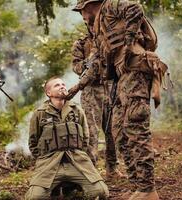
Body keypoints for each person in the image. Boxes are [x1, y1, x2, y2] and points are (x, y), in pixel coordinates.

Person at [68, 0, 169, 199]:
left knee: (135, 126)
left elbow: (135, 8)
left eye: (81, 10)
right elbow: (95, 64)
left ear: (88, 6)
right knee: (119, 131)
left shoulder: (110, 5)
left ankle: (148, 190)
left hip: (135, 71)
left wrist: (129, 44)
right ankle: (138, 186)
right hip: (122, 79)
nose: (82, 16)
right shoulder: (98, 30)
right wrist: (76, 87)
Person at [25, 77, 109, 200]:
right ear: (49, 93)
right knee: (34, 197)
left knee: (100, 192)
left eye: (63, 84)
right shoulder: (39, 113)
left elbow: (86, 138)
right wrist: (44, 159)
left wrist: (79, 155)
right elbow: (33, 142)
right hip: (49, 165)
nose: (62, 86)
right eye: (57, 85)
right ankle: (54, 189)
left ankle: (72, 188)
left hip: (76, 162)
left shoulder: (77, 110)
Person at [71, 25, 122, 179]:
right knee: (91, 131)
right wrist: (91, 60)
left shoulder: (108, 40)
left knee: (112, 130)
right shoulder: (80, 44)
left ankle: (112, 169)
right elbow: (76, 67)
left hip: (110, 88)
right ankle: (91, 171)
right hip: (90, 91)